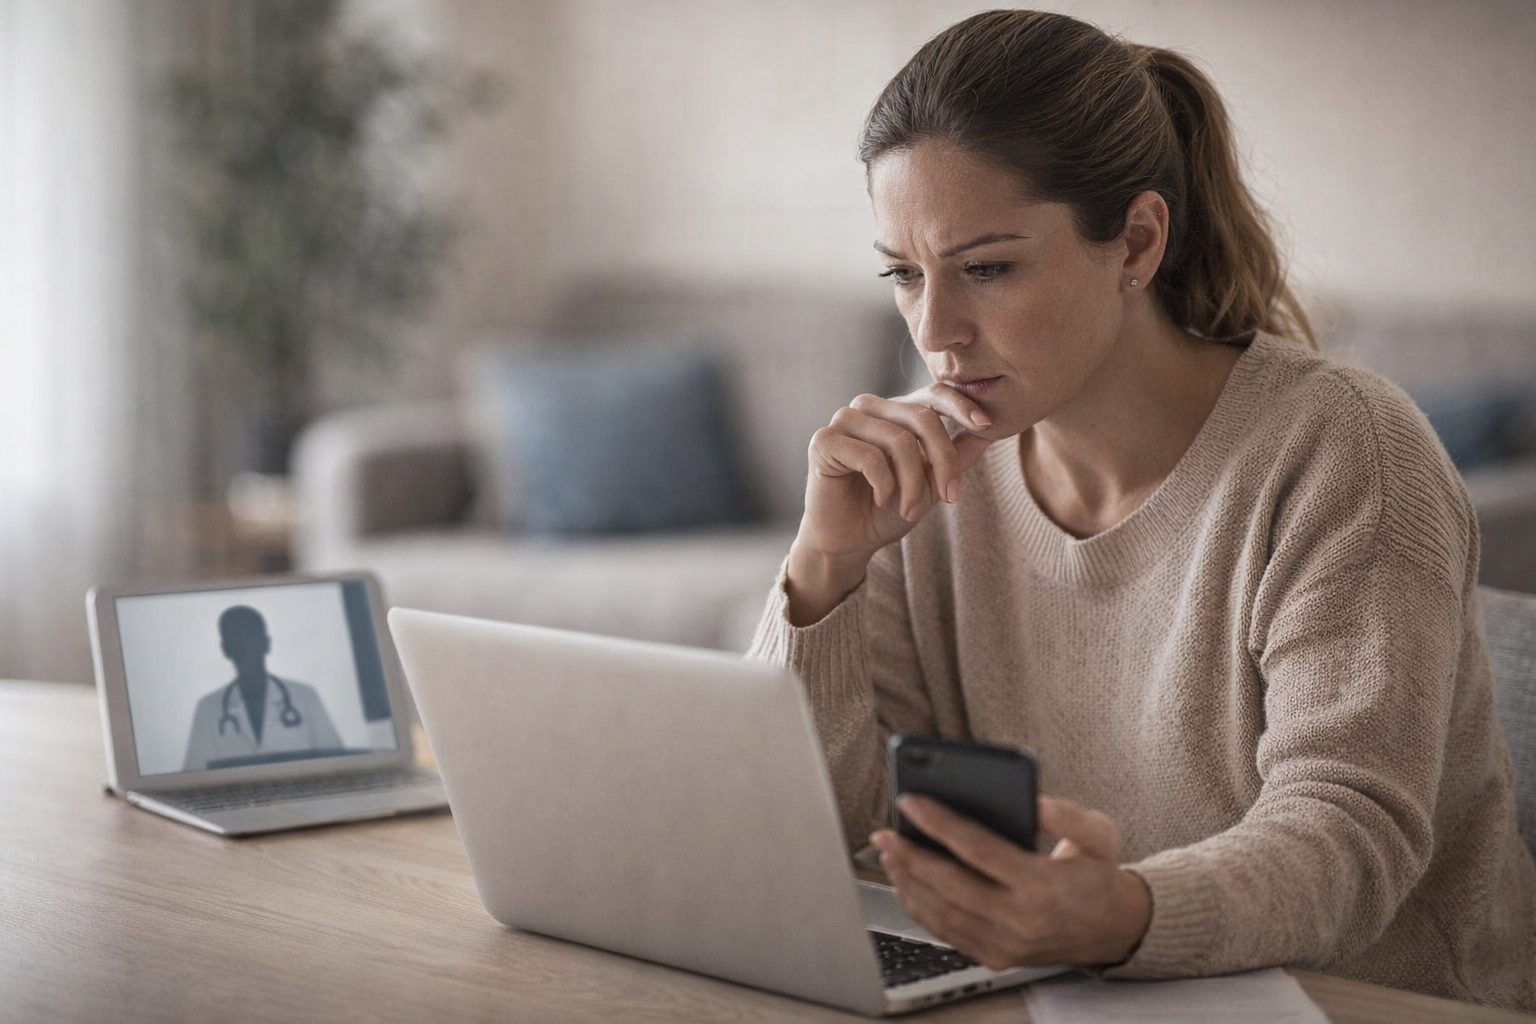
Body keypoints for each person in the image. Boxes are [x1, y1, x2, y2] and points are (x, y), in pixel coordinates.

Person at [744, 8, 1536, 1011]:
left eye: (986, 268)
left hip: (1363, 1003)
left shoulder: (1343, 450)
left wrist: (1122, 914)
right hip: (1081, 993)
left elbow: (1350, 833)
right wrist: (823, 570)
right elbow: (802, 835)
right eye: (903, 273)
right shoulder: (927, 477)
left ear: (1137, 242)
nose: (935, 330)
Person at [182, 605, 344, 772]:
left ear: (266, 644)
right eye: (237, 638)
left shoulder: (306, 698)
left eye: (251, 637)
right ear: (226, 649)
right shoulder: (208, 709)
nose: (245, 646)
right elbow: (195, 777)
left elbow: (338, 766)